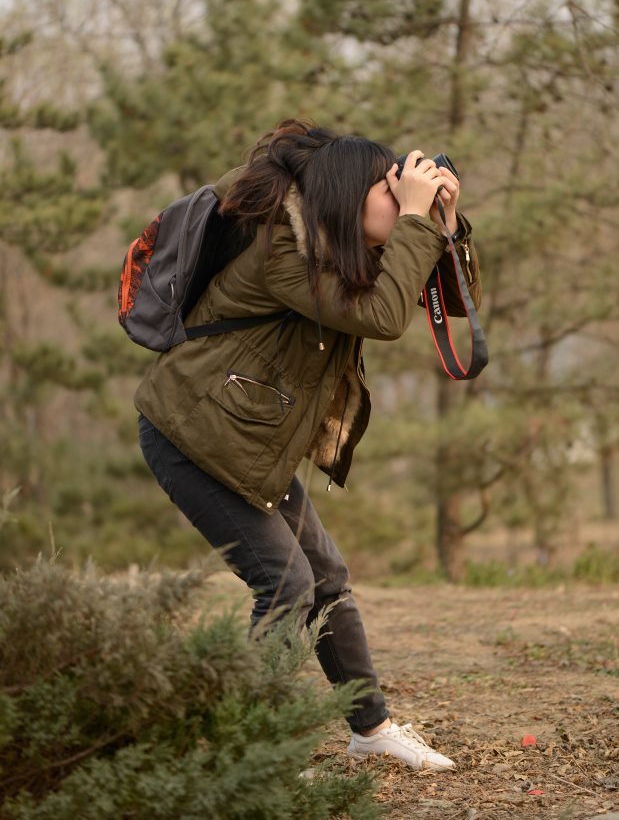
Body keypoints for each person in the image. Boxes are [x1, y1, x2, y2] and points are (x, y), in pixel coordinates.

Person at [135, 118, 481, 771]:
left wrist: (442, 222)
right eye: (390, 187)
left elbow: (443, 300)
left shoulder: (340, 249)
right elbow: (380, 316)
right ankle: (244, 743)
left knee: (327, 579)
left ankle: (370, 726)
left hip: (245, 437)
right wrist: (413, 217)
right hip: (193, 435)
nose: (401, 196)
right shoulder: (281, 249)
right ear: (351, 195)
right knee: (287, 585)